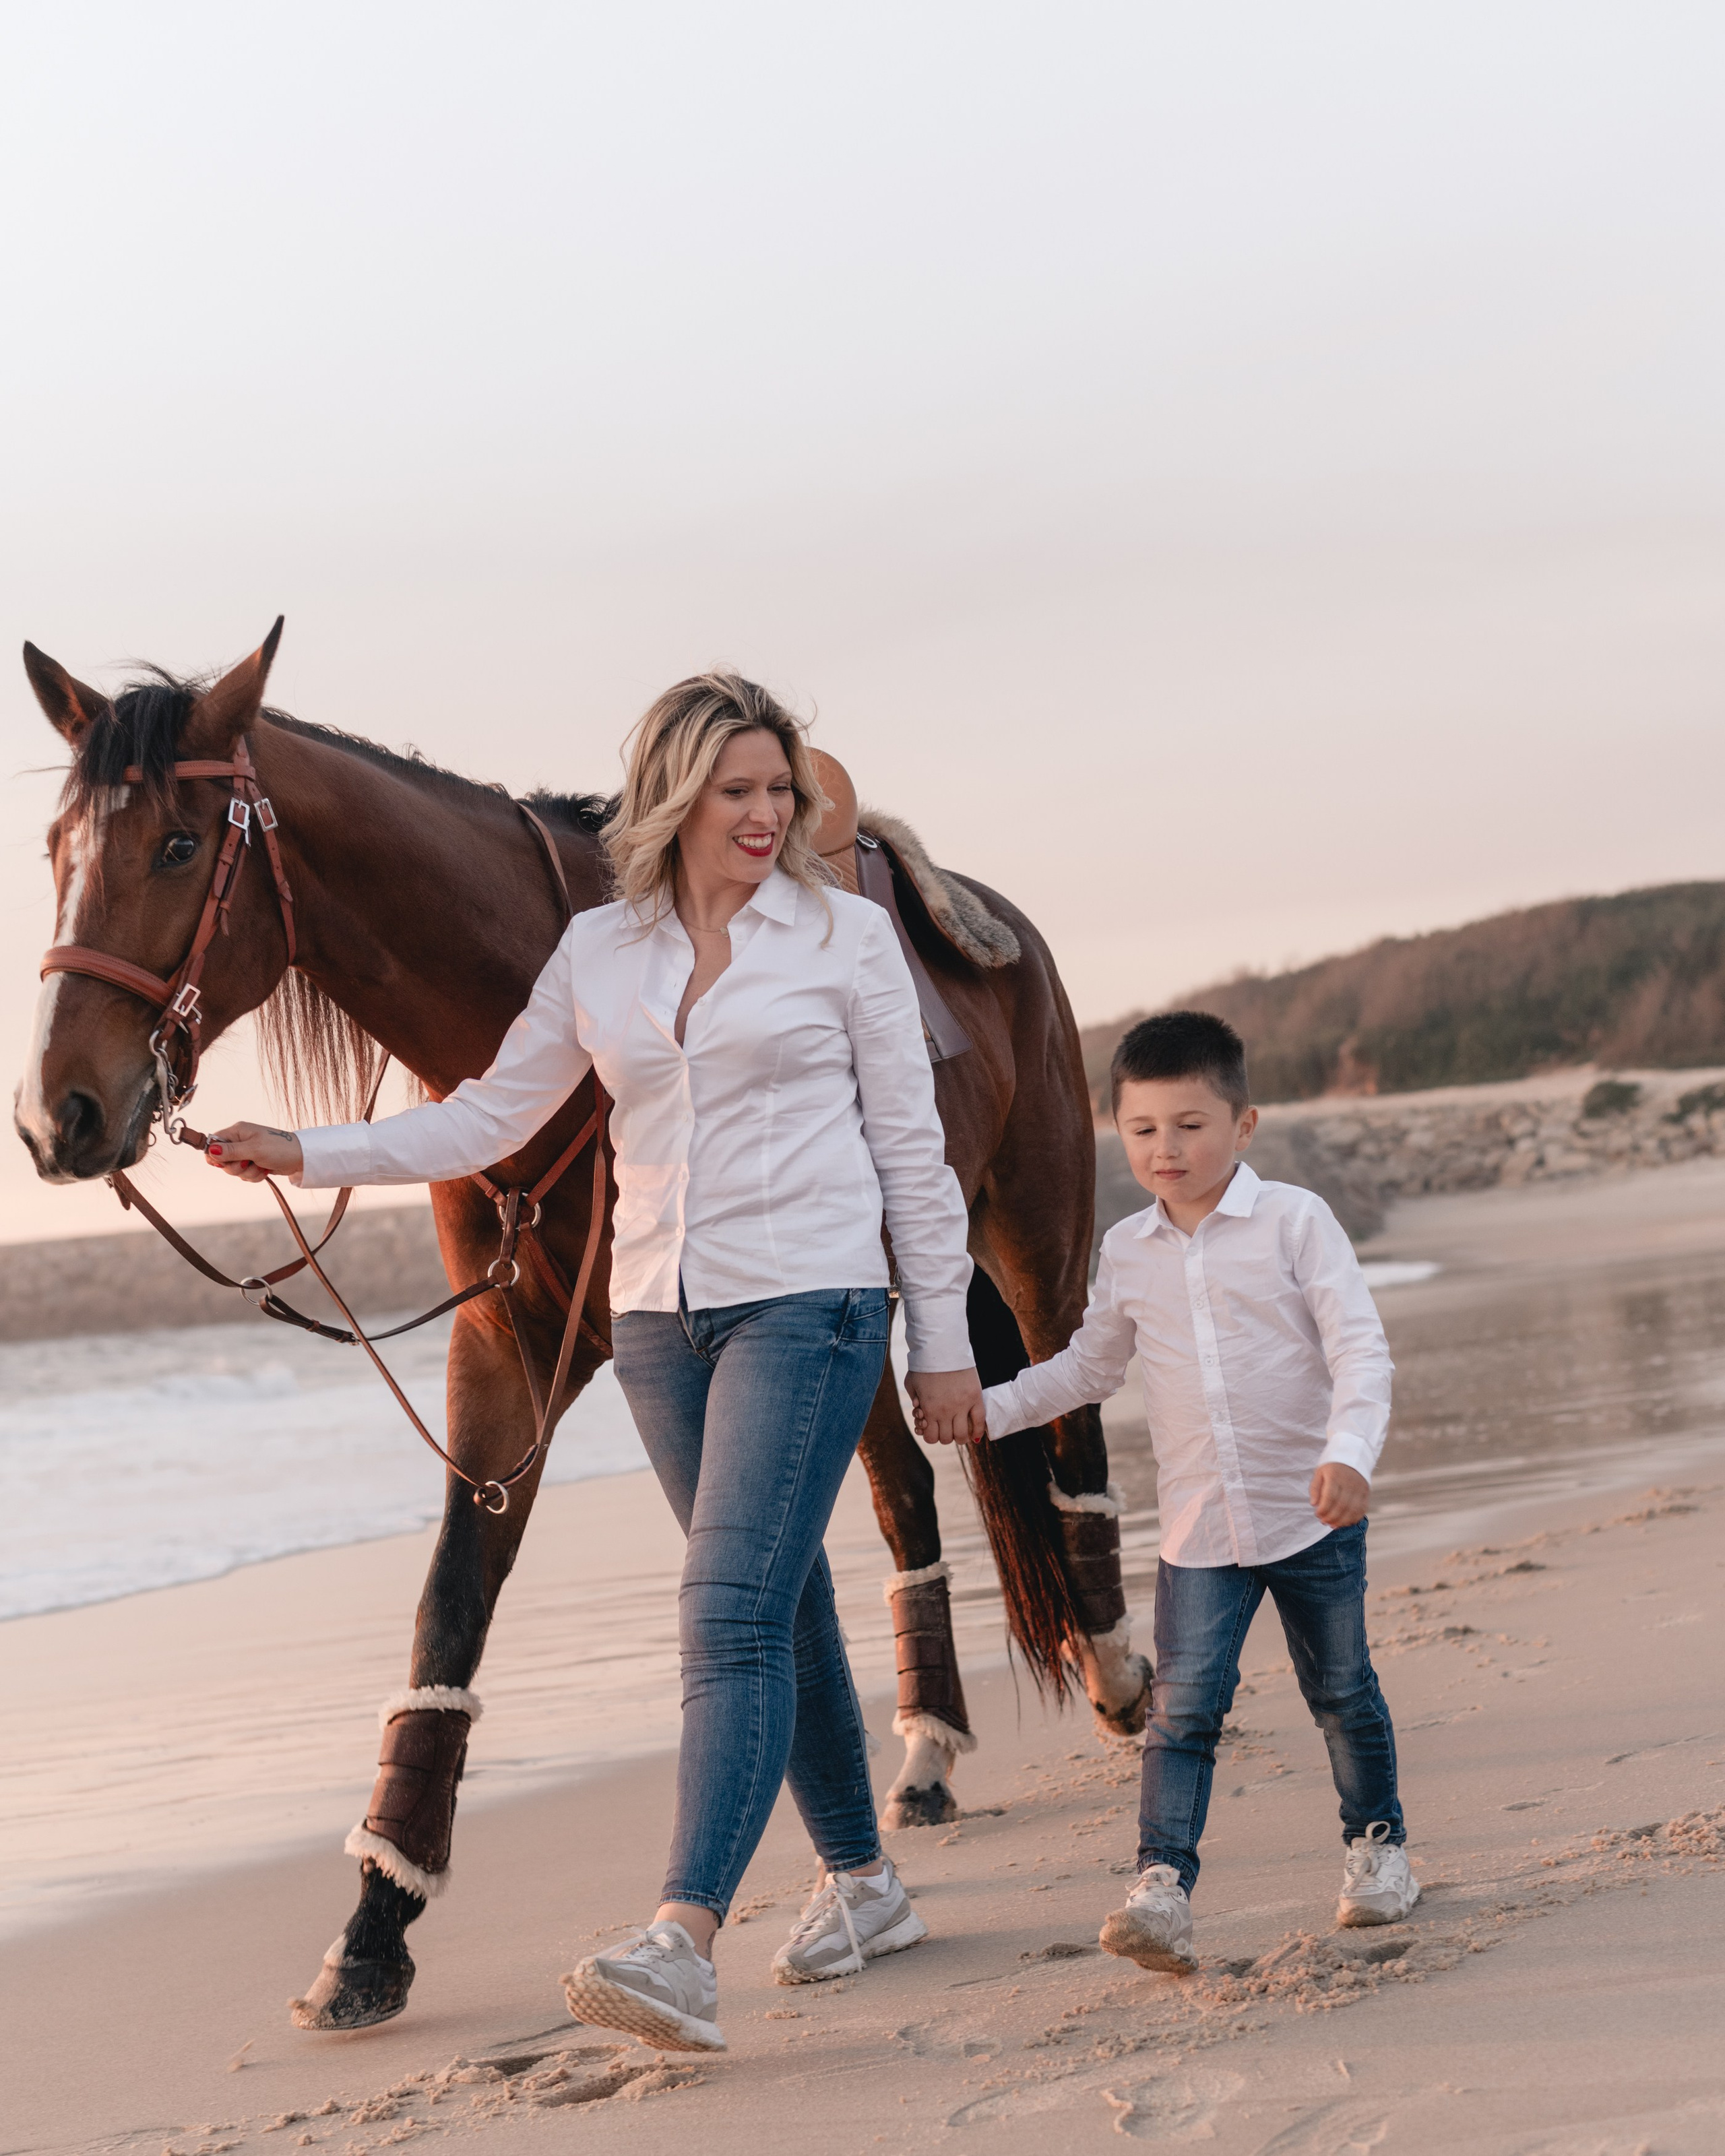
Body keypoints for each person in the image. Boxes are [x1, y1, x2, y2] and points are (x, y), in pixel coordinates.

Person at [204, 672, 985, 2050]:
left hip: (808, 1302)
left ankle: (682, 1937)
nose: (761, 814)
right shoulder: (602, 954)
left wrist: (940, 1340)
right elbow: (490, 1114)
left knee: (723, 1611)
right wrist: (303, 1150)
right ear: (672, 797)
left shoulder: (847, 942)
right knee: (781, 1592)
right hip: (655, 1325)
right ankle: (863, 1881)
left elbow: (913, 1160)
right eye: (733, 790)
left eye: (777, 791)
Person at [918, 1010, 1412, 1971]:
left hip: (1313, 1514)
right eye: (1143, 1130)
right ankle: (1161, 1886)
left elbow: (1361, 1349)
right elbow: (1085, 1370)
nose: (1166, 1148)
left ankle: (1378, 1848)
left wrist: (1350, 1452)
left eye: (1190, 1125)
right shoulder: (1130, 1251)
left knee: (1343, 1692)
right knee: (1183, 1710)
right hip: (1201, 1531)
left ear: (1244, 1126)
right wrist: (988, 1409)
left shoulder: (1295, 1223)